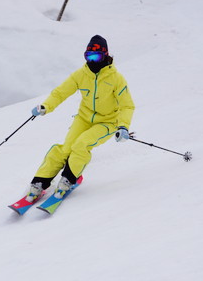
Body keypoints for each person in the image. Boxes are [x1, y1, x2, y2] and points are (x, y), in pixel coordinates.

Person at [26, 35, 135, 200]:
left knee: (81, 145)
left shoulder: (116, 79)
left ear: (105, 55)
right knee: (66, 148)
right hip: (84, 118)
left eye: (96, 56)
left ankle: (68, 179)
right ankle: (40, 182)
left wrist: (123, 126)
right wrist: (46, 106)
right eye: (88, 56)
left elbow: (127, 105)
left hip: (107, 122)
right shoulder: (81, 74)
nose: (91, 61)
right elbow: (61, 92)